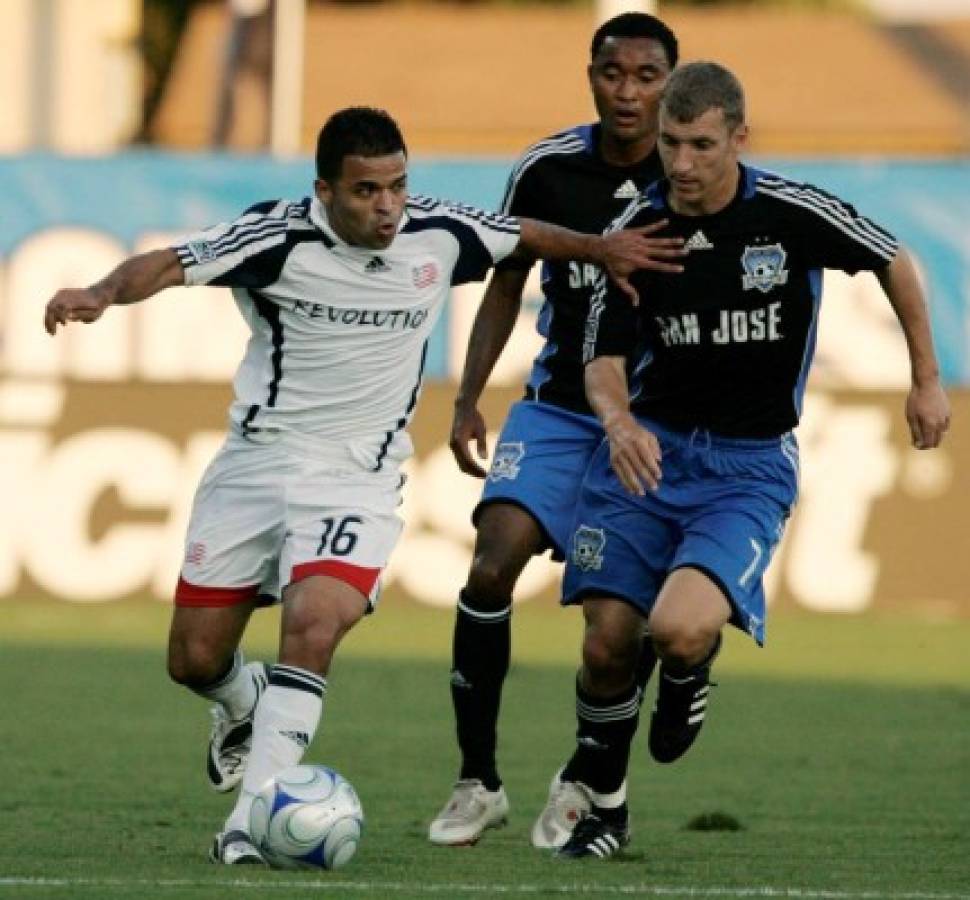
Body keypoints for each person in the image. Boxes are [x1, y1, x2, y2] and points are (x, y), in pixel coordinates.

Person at [42, 106, 682, 866]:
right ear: (325, 191)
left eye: (398, 187)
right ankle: (241, 706)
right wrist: (101, 292)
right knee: (193, 660)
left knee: (314, 624)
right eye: (367, 191)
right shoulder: (276, 237)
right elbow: (168, 263)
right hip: (257, 466)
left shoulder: (439, 231)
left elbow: (527, 236)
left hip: (359, 478)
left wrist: (600, 248)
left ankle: (251, 820)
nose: (387, 207)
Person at [548, 60, 951, 859]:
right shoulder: (636, 227)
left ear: (739, 137)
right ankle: (608, 809)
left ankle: (690, 674)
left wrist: (927, 380)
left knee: (678, 630)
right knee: (604, 644)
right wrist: (619, 420)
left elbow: (894, 258)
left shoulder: (791, 214)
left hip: (745, 467)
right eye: (670, 143)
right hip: (648, 457)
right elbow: (600, 358)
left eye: (701, 144)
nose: (682, 164)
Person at [429, 12, 682, 849]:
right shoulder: (545, 168)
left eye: (648, 77)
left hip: (654, 426)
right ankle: (476, 780)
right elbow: (506, 280)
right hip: (559, 408)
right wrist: (468, 394)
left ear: (670, 86)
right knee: (491, 563)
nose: (629, 92)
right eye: (614, 72)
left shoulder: (692, 178)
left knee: (619, 626)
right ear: (590, 74)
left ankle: (587, 775)